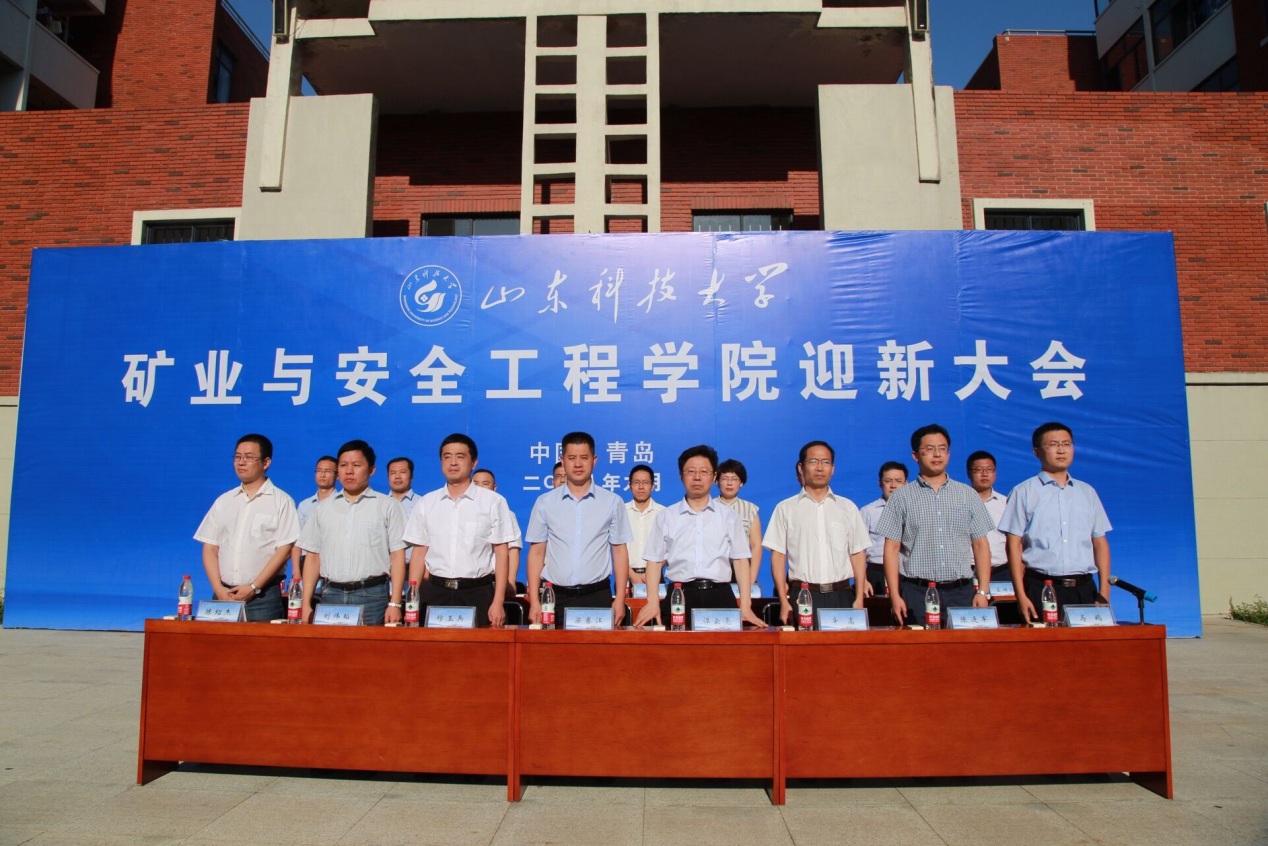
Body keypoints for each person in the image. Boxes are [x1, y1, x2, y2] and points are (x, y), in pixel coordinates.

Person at [635, 445, 764, 628]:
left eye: (704, 472)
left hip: (720, 595)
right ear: (681, 476)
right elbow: (654, 562)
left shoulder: (729, 516)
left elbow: (741, 560)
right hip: (679, 596)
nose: (697, 477)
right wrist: (652, 601)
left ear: (714, 477)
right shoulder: (666, 516)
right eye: (691, 472)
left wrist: (746, 604)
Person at [876, 424, 994, 626]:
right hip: (917, 592)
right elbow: (891, 549)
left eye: (942, 448)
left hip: (961, 593)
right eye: (929, 449)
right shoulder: (901, 497)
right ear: (915, 455)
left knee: (963, 646)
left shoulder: (967, 494)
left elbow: (981, 545)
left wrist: (983, 591)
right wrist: (894, 595)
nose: (937, 454)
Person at [999, 421, 1113, 622]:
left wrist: (1104, 589)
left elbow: (1099, 542)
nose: (1061, 450)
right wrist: (1020, 595)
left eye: (1066, 444)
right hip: (1041, 587)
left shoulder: (1087, 492)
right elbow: (1013, 545)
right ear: (1036, 452)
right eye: (1053, 444)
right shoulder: (1023, 491)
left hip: (1084, 588)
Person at [405, 435, 514, 627]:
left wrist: (498, 602)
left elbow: (501, 553)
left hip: (478, 592)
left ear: (474, 462)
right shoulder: (427, 503)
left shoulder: (493, 502)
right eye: (447, 457)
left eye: (460, 456)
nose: (453, 462)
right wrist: (412, 600)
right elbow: (419, 553)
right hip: (435, 592)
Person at [526, 432, 630, 627]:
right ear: (562, 460)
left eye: (584, 457)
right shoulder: (545, 502)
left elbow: (619, 551)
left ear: (594, 460)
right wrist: (534, 601)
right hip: (555, 597)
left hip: (597, 595)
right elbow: (537, 552)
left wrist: (620, 599)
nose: (578, 464)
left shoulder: (612, 502)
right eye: (572, 457)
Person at [298, 439, 406, 626]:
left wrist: (395, 603)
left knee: (369, 645)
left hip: (372, 596)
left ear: (371, 470)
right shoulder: (322, 508)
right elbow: (313, 556)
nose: (349, 471)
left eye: (356, 465)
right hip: (331, 594)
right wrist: (306, 602)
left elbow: (397, 556)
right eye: (343, 465)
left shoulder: (387, 506)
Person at [194, 434, 299, 621]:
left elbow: (284, 551)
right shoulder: (224, 501)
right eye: (237, 457)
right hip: (223, 595)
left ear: (266, 462)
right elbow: (210, 547)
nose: (241, 462)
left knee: (260, 641)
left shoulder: (281, 501)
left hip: (262, 598)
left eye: (249, 457)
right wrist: (219, 589)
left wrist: (253, 587)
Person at [764, 441, 870, 625]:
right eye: (813, 461)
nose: (820, 468)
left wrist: (859, 597)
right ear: (801, 467)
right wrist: (783, 600)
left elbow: (857, 554)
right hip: (803, 596)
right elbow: (778, 556)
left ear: (833, 468)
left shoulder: (847, 508)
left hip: (842, 595)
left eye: (826, 462)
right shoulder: (785, 508)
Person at [858, 461, 907, 596]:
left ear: (906, 484)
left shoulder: (915, 510)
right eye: (888, 481)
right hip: (877, 572)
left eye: (898, 481)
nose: (893, 486)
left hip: (907, 574)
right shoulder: (868, 511)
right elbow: (859, 550)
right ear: (880, 483)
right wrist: (863, 580)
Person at [472, 469, 524, 590]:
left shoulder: (506, 513)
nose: (480, 487)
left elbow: (513, 549)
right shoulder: (460, 512)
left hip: (493, 579)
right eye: (475, 483)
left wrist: (510, 581)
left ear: (494, 487)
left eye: (485, 483)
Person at [715, 458, 763, 583]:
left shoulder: (750, 509)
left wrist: (751, 579)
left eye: (734, 479)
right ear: (717, 481)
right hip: (714, 568)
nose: (729, 483)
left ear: (741, 483)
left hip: (741, 568)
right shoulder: (709, 507)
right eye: (725, 479)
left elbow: (756, 546)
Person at [289, 455, 337, 581]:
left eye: (327, 471)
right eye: (319, 471)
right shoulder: (305, 505)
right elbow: (297, 541)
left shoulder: (342, 503)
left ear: (337, 475)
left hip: (334, 562)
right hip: (307, 562)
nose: (322, 475)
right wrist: (296, 571)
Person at [965, 450, 1008, 584]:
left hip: (1002, 572)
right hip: (969, 572)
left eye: (989, 469)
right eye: (978, 470)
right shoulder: (960, 503)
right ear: (969, 473)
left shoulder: (1006, 504)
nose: (984, 474)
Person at [624, 463, 663, 587]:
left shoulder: (663, 513)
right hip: (625, 577)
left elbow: (668, 549)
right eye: (636, 482)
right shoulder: (621, 512)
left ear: (653, 486)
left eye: (645, 482)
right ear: (630, 486)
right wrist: (631, 574)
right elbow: (617, 549)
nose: (641, 487)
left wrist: (651, 572)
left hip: (655, 575)